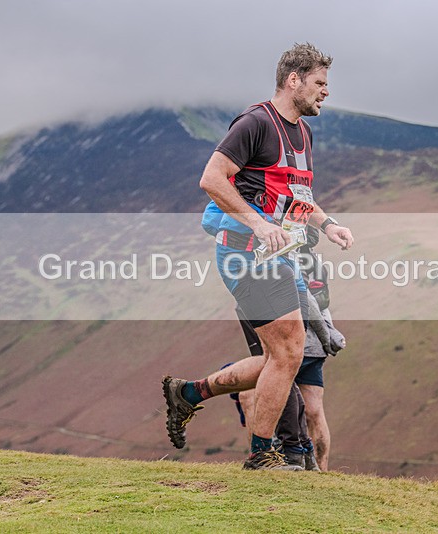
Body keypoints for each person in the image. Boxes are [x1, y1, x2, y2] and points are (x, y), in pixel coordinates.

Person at [162, 42, 354, 471]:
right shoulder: (255, 123)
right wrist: (258, 224)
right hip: (245, 254)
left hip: (281, 257)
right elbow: (212, 179)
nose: (325, 91)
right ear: (293, 80)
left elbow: (295, 196)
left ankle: (189, 393)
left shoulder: (303, 133)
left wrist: (327, 225)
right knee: (289, 353)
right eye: (319, 83)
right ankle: (262, 455)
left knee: (280, 358)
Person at [237, 245, 346, 472]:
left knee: (260, 397)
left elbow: (309, 299)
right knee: (314, 411)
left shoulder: (289, 256)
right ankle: (317, 468)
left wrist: (325, 333)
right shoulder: (313, 260)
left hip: (295, 340)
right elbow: (320, 299)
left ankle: (266, 456)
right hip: (315, 345)